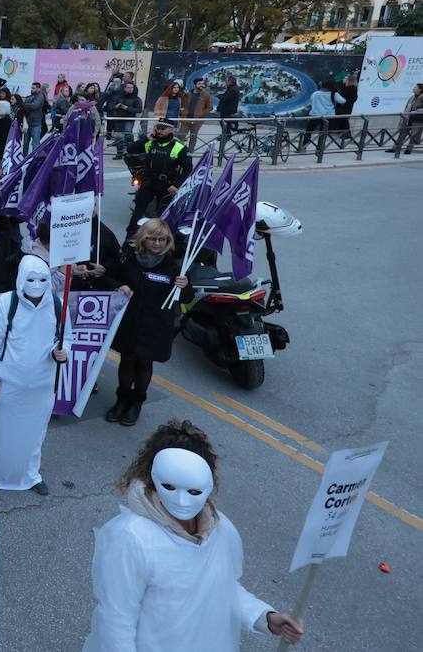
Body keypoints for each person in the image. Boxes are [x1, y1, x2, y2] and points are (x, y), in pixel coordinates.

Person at [84, 420, 306, 650]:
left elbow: (221, 587)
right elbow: (116, 623)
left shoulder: (220, 529)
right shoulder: (131, 538)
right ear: (152, 477)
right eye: (171, 486)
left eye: (193, 490)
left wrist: (265, 617)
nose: (181, 501)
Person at [0, 255, 66, 495]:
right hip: (10, 383)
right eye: (31, 279)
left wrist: (61, 352)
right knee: (1, 430)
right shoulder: (6, 304)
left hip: (42, 384)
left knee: (34, 432)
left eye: (42, 279)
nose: (37, 284)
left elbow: (65, 338)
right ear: (20, 278)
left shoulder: (58, 305)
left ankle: (30, 474)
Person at [105, 220, 189, 426]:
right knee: (126, 361)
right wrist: (119, 285)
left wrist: (185, 285)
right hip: (129, 322)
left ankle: (136, 403)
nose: (157, 243)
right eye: (152, 238)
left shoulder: (174, 264)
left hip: (155, 325)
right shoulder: (127, 258)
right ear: (143, 238)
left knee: (144, 363)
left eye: (162, 239)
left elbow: (186, 298)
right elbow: (108, 277)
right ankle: (121, 399)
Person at [125, 119, 191, 236]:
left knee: (164, 215)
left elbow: (187, 169)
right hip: (148, 183)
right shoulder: (150, 142)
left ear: (171, 130)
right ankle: (130, 239)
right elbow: (131, 149)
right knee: (138, 212)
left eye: (163, 129)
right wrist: (146, 138)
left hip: (167, 186)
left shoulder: (179, 147)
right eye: (158, 128)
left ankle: (163, 240)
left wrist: (176, 185)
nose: (159, 131)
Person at [108, 82, 143, 152]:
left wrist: (126, 108)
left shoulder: (136, 99)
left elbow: (139, 110)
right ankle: (119, 152)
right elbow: (110, 107)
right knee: (118, 136)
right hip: (118, 119)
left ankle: (129, 150)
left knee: (128, 134)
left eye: (131, 88)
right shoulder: (119, 97)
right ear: (124, 88)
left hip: (129, 119)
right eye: (128, 87)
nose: (130, 89)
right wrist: (116, 106)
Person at [181, 77, 214, 147]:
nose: (201, 85)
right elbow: (183, 104)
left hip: (197, 120)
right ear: (195, 84)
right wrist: (182, 113)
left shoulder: (206, 95)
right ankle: (179, 153)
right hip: (185, 119)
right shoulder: (188, 93)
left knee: (193, 137)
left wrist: (201, 113)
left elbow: (210, 107)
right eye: (199, 83)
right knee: (181, 136)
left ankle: (190, 153)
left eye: (202, 83)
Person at [395, 82, 423, 154]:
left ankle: (409, 149)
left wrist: (416, 111)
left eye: (415, 87)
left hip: (418, 119)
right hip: (408, 118)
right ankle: (395, 147)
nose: (413, 88)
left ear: (420, 89)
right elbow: (407, 107)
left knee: (414, 134)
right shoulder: (412, 97)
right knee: (403, 133)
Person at [22, 82, 49, 155]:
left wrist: (26, 104)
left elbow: (34, 106)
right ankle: (24, 158)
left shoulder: (40, 96)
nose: (32, 89)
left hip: (36, 123)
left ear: (38, 89)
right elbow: (26, 105)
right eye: (31, 88)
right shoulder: (30, 96)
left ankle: (34, 158)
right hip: (28, 122)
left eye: (33, 88)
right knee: (25, 143)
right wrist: (27, 104)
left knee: (35, 143)